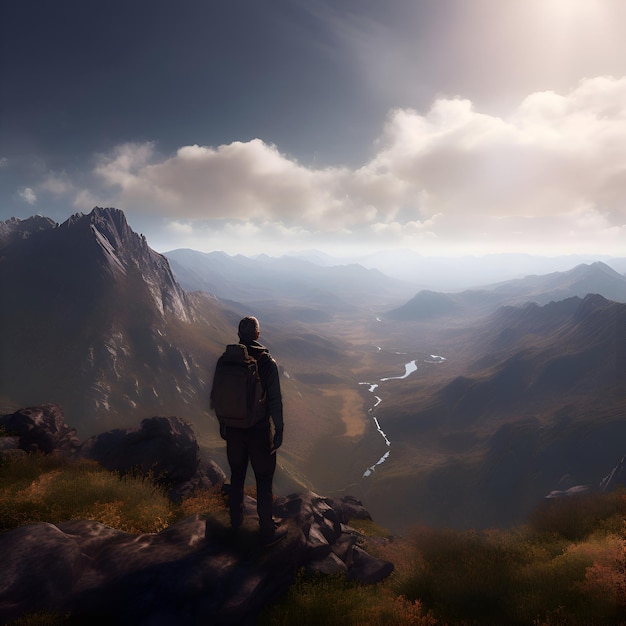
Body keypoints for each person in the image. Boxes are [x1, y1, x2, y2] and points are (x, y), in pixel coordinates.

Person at [220, 316, 286, 545]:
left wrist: (223, 424)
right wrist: (279, 428)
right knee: (264, 478)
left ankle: (235, 522)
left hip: (234, 429)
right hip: (258, 431)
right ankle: (267, 529)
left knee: (237, 475)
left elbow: (219, 396)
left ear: (239, 334)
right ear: (257, 335)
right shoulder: (267, 363)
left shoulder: (225, 360)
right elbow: (275, 400)